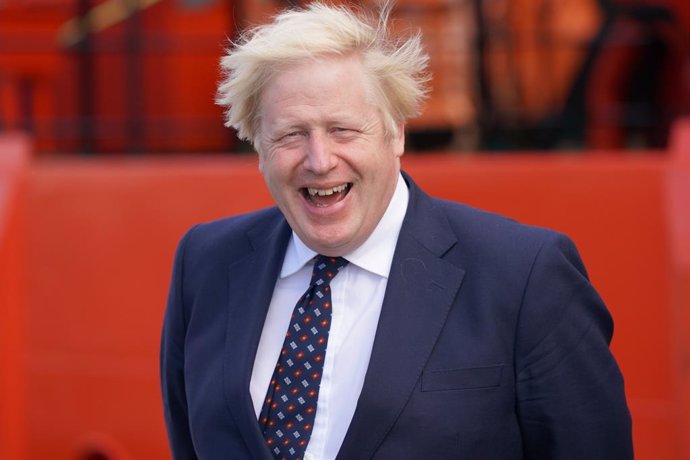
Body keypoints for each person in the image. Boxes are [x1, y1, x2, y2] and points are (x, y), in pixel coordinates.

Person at [160, 2, 633, 459]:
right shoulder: (205, 263)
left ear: (396, 132)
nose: (320, 160)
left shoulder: (525, 275)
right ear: (257, 146)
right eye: (291, 135)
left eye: (344, 130)